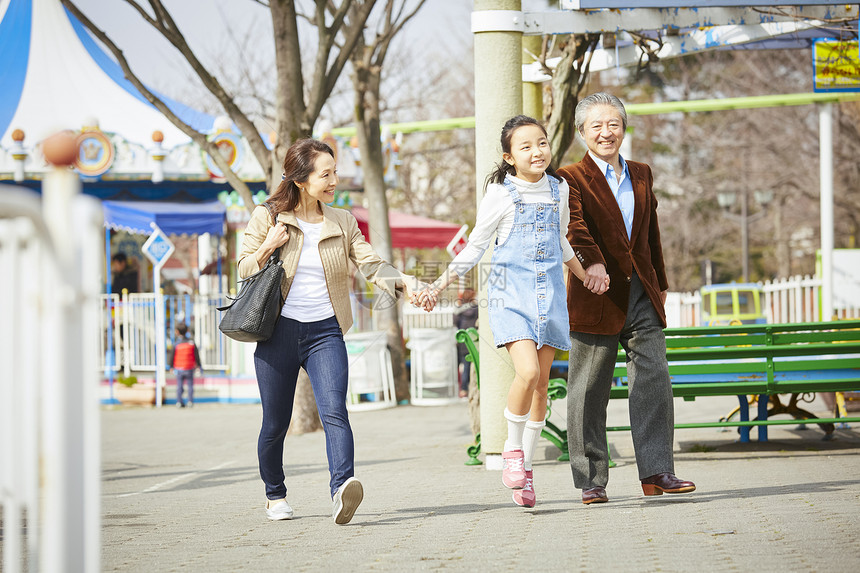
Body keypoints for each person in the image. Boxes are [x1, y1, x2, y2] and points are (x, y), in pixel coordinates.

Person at [237, 138, 420, 524]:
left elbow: (370, 263)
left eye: (335, 171)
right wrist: (268, 246)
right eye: (327, 173)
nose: (335, 179)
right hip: (278, 333)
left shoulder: (343, 221)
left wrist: (405, 283)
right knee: (275, 423)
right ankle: (275, 494)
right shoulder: (268, 216)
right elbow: (243, 269)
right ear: (301, 180)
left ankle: (341, 489)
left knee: (335, 411)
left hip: (325, 332)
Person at [418, 115, 589, 508]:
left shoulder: (559, 189)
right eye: (525, 146)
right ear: (509, 157)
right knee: (526, 372)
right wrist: (438, 286)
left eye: (542, 143)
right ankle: (512, 451)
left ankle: (525, 471)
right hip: (511, 298)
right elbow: (475, 247)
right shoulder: (500, 193)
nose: (537, 152)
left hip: (551, 300)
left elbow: (562, 240)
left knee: (542, 386)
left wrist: (584, 274)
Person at [557, 92, 696, 505]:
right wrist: (592, 264)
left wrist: (662, 282)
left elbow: (650, 233)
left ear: (624, 127)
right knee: (588, 389)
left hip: (642, 292)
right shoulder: (569, 178)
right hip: (596, 293)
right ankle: (591, 479)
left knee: (654, 380)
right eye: (596, 125)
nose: (606, 132)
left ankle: (657, 472)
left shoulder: (641, 172)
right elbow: (574, 228)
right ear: (583, 132)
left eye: (613, 123)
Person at [168, 323, 201, 408]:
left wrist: (171, 367)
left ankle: (179, 402)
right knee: (190, 386)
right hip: (189, 368)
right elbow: (196, 355)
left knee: (179, 386)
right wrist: (199, 365)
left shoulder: (176, 344)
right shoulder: (191, 342)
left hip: (179, 368)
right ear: (187, 331)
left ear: (177, 332)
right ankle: (190, 401)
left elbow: (172, 356)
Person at [454, 288, 479, 398]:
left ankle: (462, 390)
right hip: (472, 339)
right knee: (469, 366)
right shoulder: (477, 308)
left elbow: (454, 323)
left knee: (462, 365)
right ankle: (468, 389)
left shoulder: (458, 310)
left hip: (462, 339)